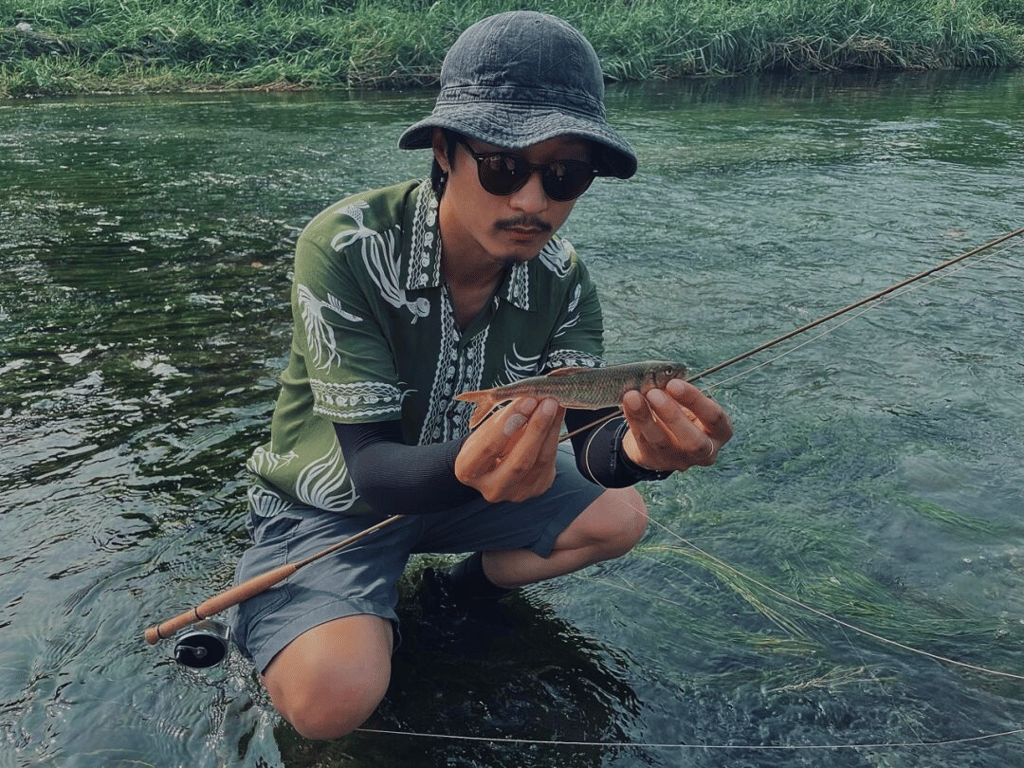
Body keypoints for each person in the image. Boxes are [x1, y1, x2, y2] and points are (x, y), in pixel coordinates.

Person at [231, 10, 733, 740]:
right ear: (445, 151)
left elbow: (593, 440)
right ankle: (299, 609)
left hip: (470, 487)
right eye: (503, 165)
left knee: (620, 517)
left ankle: (451, 595)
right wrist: (474, 470)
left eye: (566, 174)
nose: (533, 202)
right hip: (332, 503)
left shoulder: (564, 279)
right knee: (330, 704)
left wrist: (640, 456)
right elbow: (370, 470)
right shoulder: (347, 246)